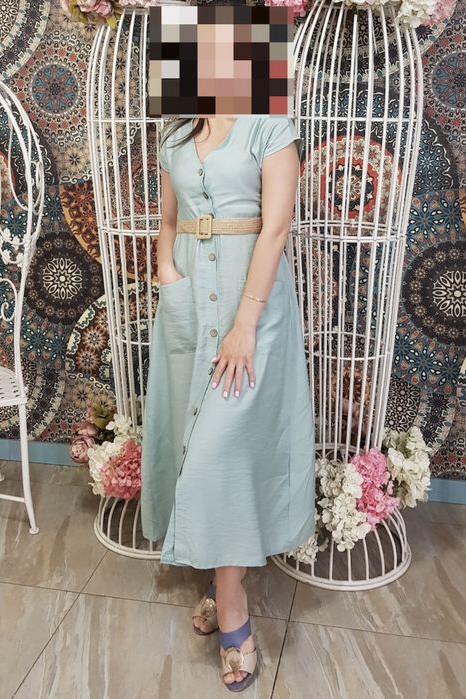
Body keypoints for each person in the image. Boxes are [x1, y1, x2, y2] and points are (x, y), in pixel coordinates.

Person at [141, 114, 316, 692]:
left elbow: (276, 227)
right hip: (189, 299)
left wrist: (245, 324)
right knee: (193, 443)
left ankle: (231, 603)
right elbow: (168, 220)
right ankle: (223, 582)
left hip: (253, 307)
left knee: (223, 453)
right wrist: (167, 271)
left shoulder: (270, 129)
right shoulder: (174, 137)